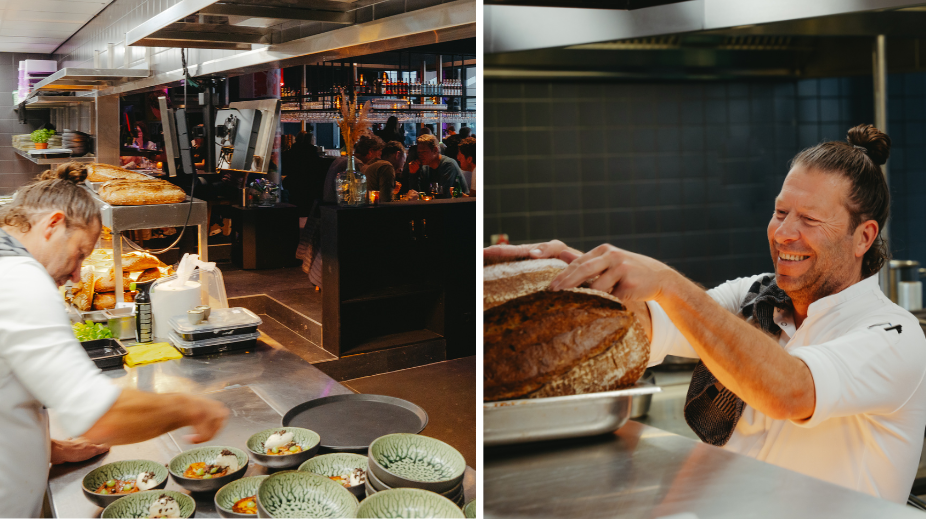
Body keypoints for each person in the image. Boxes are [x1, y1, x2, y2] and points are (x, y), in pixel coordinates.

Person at [484, 124, 926, 504]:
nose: (783, 233)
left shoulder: (895, 335)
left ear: (863, 236)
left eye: (809, 219)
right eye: (780, 212)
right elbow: (641, 323)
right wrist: (570, 275)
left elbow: (791, 391)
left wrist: (669, 283)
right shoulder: (754, 297)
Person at [0, 163, 229, 517]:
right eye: (79, 254)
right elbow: (102, 417)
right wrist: (192, 408)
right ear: (53, 225)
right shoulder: (21, 281)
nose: (77, 276)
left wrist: (50, 448)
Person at [322, 134, 385, 203]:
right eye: (379, 153)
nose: (379, 158)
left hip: (328, 203)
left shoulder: (341, 159)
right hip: (339, 205)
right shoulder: (355, 164)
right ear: (371, 151)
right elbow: (361, 192)